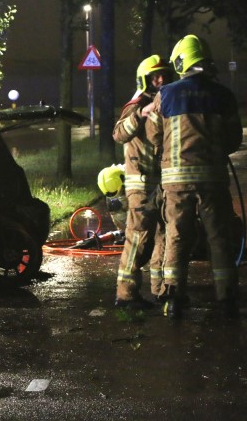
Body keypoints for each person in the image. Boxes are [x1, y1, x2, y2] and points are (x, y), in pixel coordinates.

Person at [146, 34, 242, 319]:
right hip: (213, 179)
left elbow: (153, 135)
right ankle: (226, 298)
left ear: (180, 61)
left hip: (176, 182)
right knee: (219, 237)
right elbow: (234, 139)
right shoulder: (223, 95)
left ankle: (173, 297)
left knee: (177, 235)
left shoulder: (167, 94)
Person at [110, 55, 173, 309]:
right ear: (144, 80)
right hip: (141, 183)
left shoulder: (168, 102)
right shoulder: (136, 104)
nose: (160, 80)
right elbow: (118, 133)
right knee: (138, 238)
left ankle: (160, 290)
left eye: (164, 75)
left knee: (163, 237)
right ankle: (126, 295)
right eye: (155, 76)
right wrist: (141, 113)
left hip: (162, 182)